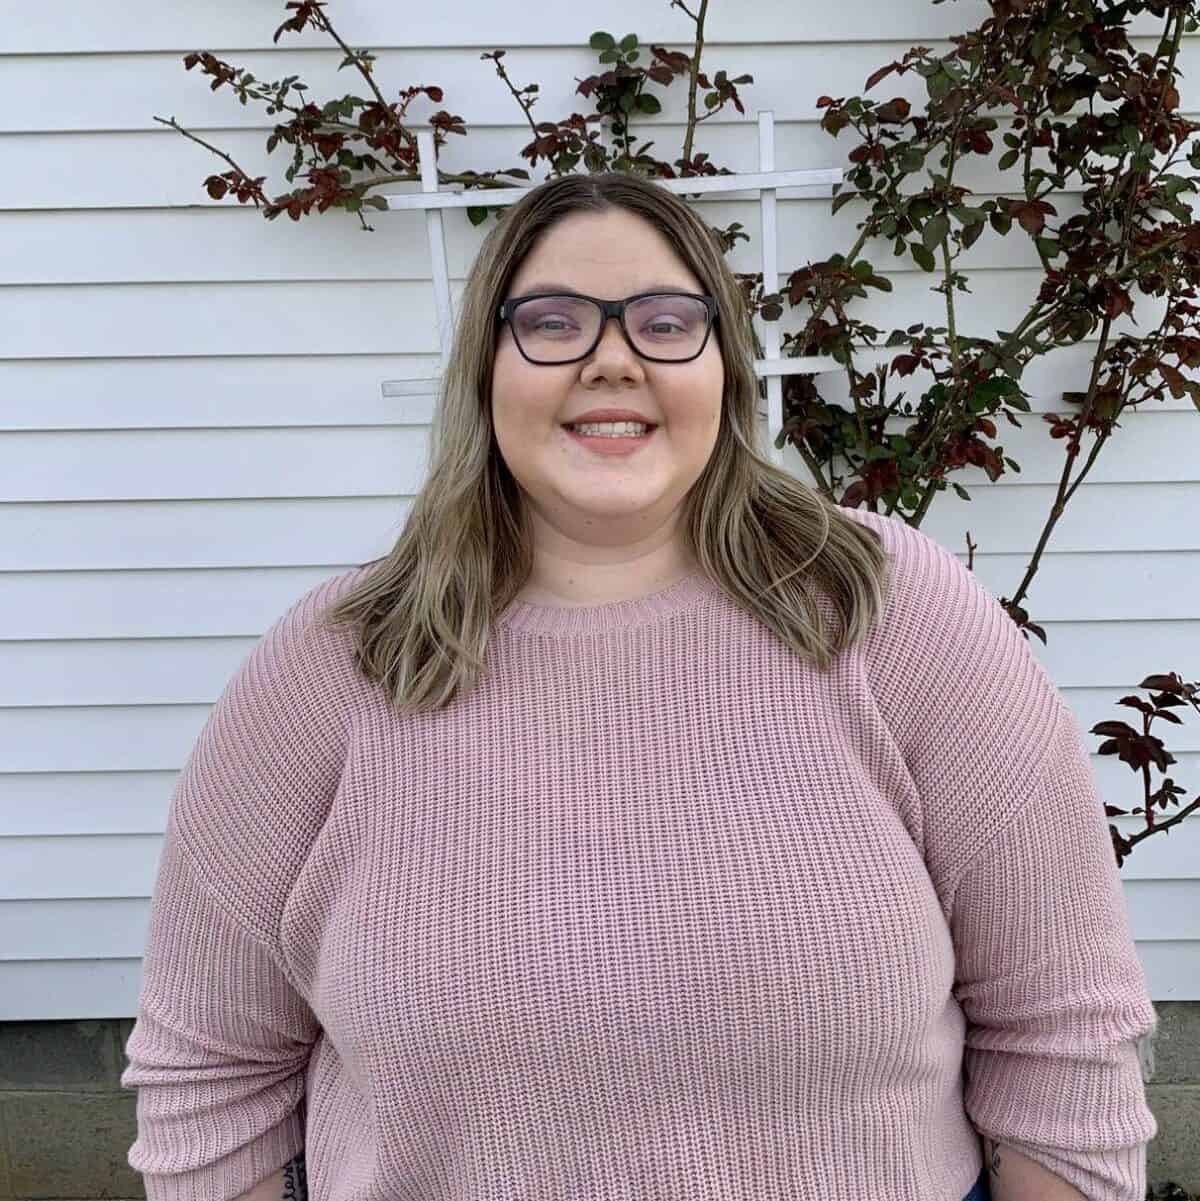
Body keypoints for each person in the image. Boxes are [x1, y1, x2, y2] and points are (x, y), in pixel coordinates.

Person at [119, 170, 1158, 1201]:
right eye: (553, 322)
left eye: (665, 321)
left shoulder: (888, 614)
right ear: (487, 367)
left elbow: (1063, 1029)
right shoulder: (335, 667)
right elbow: (208, 1074)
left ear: (723, 368)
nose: (612, 360)